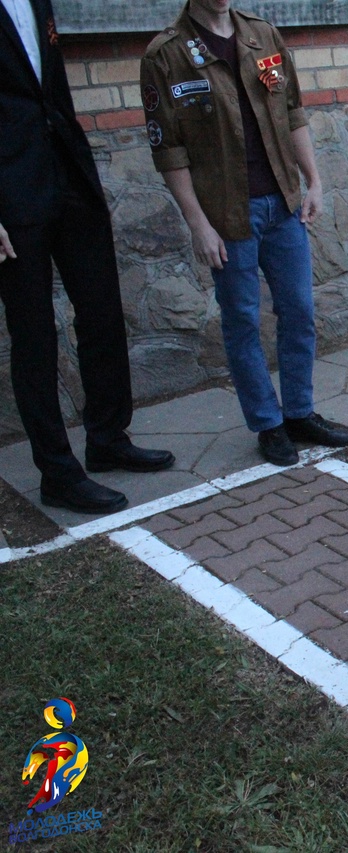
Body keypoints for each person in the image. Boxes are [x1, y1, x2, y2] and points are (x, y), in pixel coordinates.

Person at [141, 0, 348, 467]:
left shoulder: (263, 36)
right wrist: (198, 223)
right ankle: (267, 423)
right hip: (226, 214)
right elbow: (169, 150)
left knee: (299, 311)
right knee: (242, 322)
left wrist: (313, 180)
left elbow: (292, 111)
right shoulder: (166, 55)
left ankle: (299, 413)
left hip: (282, 204)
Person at [0, 0, 175, 514]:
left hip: (69, 176)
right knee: (34, 335)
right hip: (11, 195)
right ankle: (56, 473)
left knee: (101, 311)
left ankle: (107, 439)